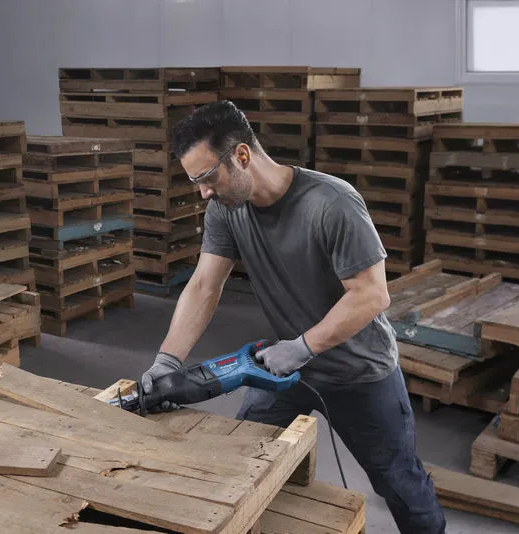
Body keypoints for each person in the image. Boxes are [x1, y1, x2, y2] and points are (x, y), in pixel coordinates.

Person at [140, 100, 446, 533]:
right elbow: (205, 285)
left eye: (208, 177)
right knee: (240, 457)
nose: (203, 192)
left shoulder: (331, 203)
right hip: (285, 371)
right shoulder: (225, 209)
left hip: (360, 372)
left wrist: (304, 347)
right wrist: (168, 360)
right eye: (195, 182)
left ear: (242, 155)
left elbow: (371, 296)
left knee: (400, 485)